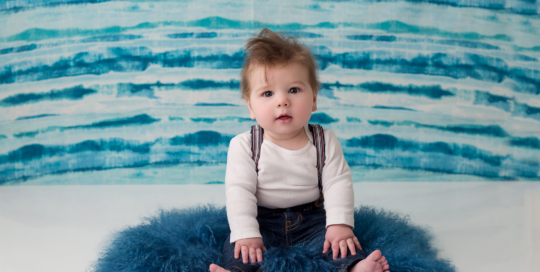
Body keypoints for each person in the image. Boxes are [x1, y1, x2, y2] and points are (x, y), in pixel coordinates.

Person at [209, 28, 390, 272]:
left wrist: (339, 224)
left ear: (314, 98)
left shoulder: (324, 140)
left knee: (340, 244)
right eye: (268, 93)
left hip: (312, 220)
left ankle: (355, 267)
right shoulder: (244, 145)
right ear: (251, 106)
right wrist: (246, 232)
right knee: (240, 249)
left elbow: (337, 183)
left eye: (294, 90)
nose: (282, 101)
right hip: (263, 221)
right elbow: (239, 192)